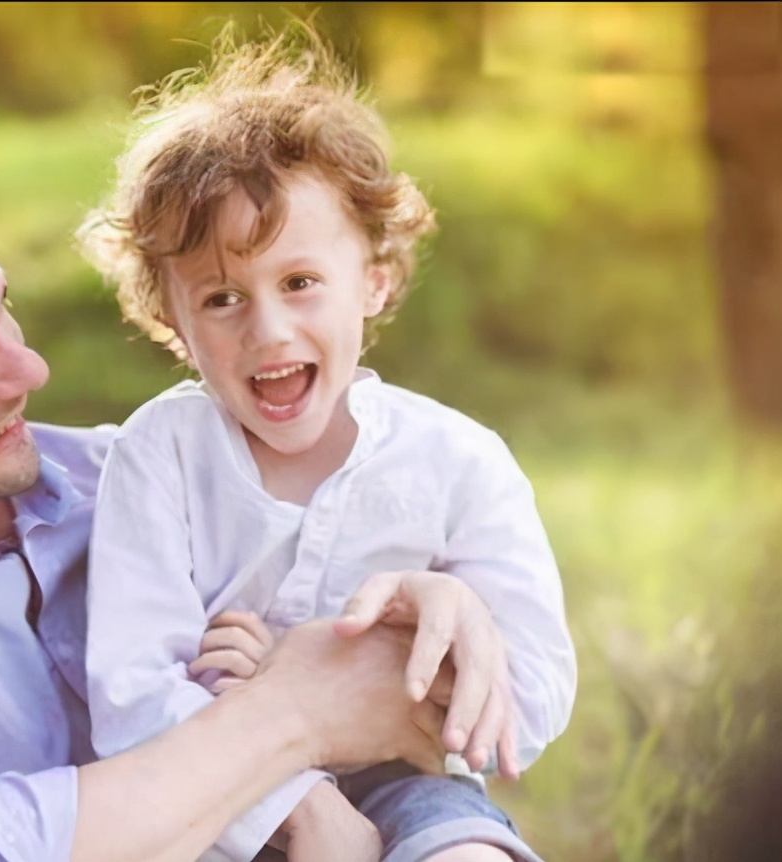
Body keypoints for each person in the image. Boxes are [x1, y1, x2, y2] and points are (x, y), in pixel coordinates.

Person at [0, 148, 519, 862]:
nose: (27, 372)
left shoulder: (152, 476)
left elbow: (388, 717)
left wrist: (433, 607)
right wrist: (285, 731)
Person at [77, 25, 576, 862]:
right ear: (171, 318)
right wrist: (287, 781)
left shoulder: (458, 461)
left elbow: (532, 692)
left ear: (372, 282)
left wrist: (377, 656)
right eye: (222, 299)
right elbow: (130, 697)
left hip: (414, 779)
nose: (269, 331)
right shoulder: (159, 454)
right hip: (220, 797)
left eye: (300, 282)